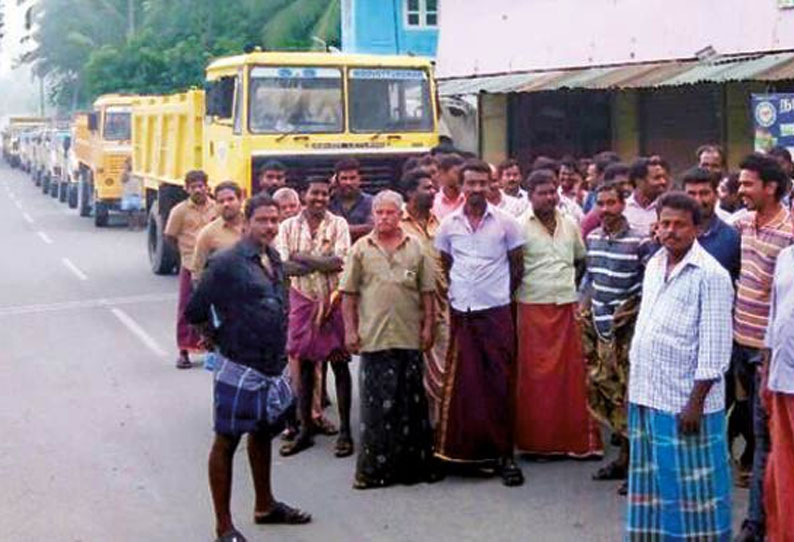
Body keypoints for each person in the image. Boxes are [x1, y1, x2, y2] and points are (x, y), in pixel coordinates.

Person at [185, 193, 311, 542]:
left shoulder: (271, 257)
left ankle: (265, 505)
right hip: (238, 364)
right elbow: (195, 310)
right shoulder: (225, 263)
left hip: (272, 364)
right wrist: (218, 338)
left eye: (274, 221)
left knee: (263, 431)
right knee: (226, 440)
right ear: (246, 223)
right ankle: (223, 527)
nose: (270, 226)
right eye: (263, 221)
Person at [625, 192, 734, 541]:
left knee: (694, 491)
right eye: (665, 224)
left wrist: (696, 403)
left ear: (697, 229)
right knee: (654, 484)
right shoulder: (655, 263)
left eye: (679, 225)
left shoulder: (712, 275)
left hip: (686, 402)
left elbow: (716, 347)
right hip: (648, 393)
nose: (670, 231)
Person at [434, 159, 526, 486]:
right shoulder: (448, 225)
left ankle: (505, 455)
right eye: (470, 184)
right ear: (461, 186)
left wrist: (498, 293)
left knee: (499, 384)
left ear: (492, 185)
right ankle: (461, 453)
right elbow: (445, 264)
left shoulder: (507, 223)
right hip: (463, 313)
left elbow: (517, 268)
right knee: (463, 385)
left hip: (497, 312)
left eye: (482, 184)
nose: (476, 190)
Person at [340, 190, 437, 489]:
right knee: (376, 410)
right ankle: (373, 473)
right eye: (379, 212)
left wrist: (428, 327)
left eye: (390, 213)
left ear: (400, 215)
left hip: (408, 337)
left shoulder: (416, 248)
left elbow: (427, 293)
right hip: (374, 339)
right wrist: (350, 330)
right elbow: (348, 295)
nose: (384, 218)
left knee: (410, 407)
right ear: (373, 215)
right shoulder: (360, 249)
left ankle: (413, 470)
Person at [513, 169, 603, 459]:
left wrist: (570, 288)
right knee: (536, 378)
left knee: (572, 375)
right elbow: (512, 268)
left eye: (553, 192)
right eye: (543, 192)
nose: (549, 197)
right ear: (531, 195)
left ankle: (574, 442)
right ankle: (538, 443)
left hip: (566, 305)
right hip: (532, 305)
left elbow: (580, 261)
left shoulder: (571, 224)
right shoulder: (518, 227)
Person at [733, 153, 794, 542]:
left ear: (770, 187)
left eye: (747, 184)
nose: (740, 190)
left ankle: (757, 523)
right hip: (741, 344)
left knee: (768, 441)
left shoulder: (790, 235)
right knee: (757, 438)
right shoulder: (742, 224)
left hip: (770, 355)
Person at [277, 176, 354, 458]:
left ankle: (345, 431)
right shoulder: (286, 226)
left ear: (329, 196)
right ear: (303, 194)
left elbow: (340, 262)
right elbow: (284, 268)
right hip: (302, 301)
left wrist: (303, 257)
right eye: (314, 193)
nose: (319, 198)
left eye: (324, 194)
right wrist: (319, 262)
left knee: (340, 365)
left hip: (333, 301)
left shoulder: (339, 224)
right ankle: (306, 428)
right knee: (306, 366)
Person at [580, 182, 649, 493]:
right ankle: (623, 458)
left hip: (628, 332)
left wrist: (633, 312)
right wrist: (582, 306)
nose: (606, 210)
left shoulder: (640, 241)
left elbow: (648, 285)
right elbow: (590, 279)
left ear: (623, 205)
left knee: (629, 395)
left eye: (612, 203)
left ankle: (634, 464)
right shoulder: (592, 238)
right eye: (601, 204)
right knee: (605, 391)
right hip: (599, 328)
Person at [399, 169, 450, 424]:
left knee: (442, 370)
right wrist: (413, 278)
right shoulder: (397, 225)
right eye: (426, 188)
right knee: (411, 373)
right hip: (408, 309)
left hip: (441, 308)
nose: (433, 192)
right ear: (410, 193)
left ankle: (438, 431)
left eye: (433, 188)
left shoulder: (439, 223)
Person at [164, 170, 217, 369]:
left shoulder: (217, 208)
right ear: (186, 189)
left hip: (214, 265)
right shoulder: (179, 211)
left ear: (207, 186)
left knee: (216, 309)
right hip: (190, 265)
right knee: (187, 308)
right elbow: (170, 236)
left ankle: (214, 349)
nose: (198, 189)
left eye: (201, 185)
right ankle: (184, 351)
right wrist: (183, 255)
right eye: (193, 186)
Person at [762, 244, 794, 541]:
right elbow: (774, 320)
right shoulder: (785, 257)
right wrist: (766, 373)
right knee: (782, 470)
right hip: (781, 380)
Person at [681, 167, 741, 281]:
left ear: (716, 195)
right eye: (691, 194)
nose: (697, 200)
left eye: (704, 193)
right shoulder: (672, 236)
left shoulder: (732, 238)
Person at [192, 182, 244, 282]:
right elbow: (198, 273)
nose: (226, 204)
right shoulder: (207, 234)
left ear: (241, 200)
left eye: (230, 199)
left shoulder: (253, 226)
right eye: (221, 201)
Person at [580, 162, 631, 238]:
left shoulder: (639, 239)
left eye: (628, 183)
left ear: (623, 204)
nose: (605, 209)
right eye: (621, 184)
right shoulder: (592, 235)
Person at [328, 158, 373, 242]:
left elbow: (371, 227)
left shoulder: (370, 201)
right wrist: (329, 188)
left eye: (352, 178)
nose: (348, 183)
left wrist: (337, 229)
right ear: (337, 180)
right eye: (344, 178)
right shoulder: (329, 202)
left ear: (359, 179)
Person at [623, 157, 668, 237]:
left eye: (664, 177)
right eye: (657, 178)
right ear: (639, 181)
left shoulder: (668, 208)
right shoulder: (622, 208)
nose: (663, 182)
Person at [431, 154, 466, 220]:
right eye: (456, 173)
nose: (460, 177)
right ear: (443, 173)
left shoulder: (467, 199)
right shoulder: (434, 202)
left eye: (462, 174)